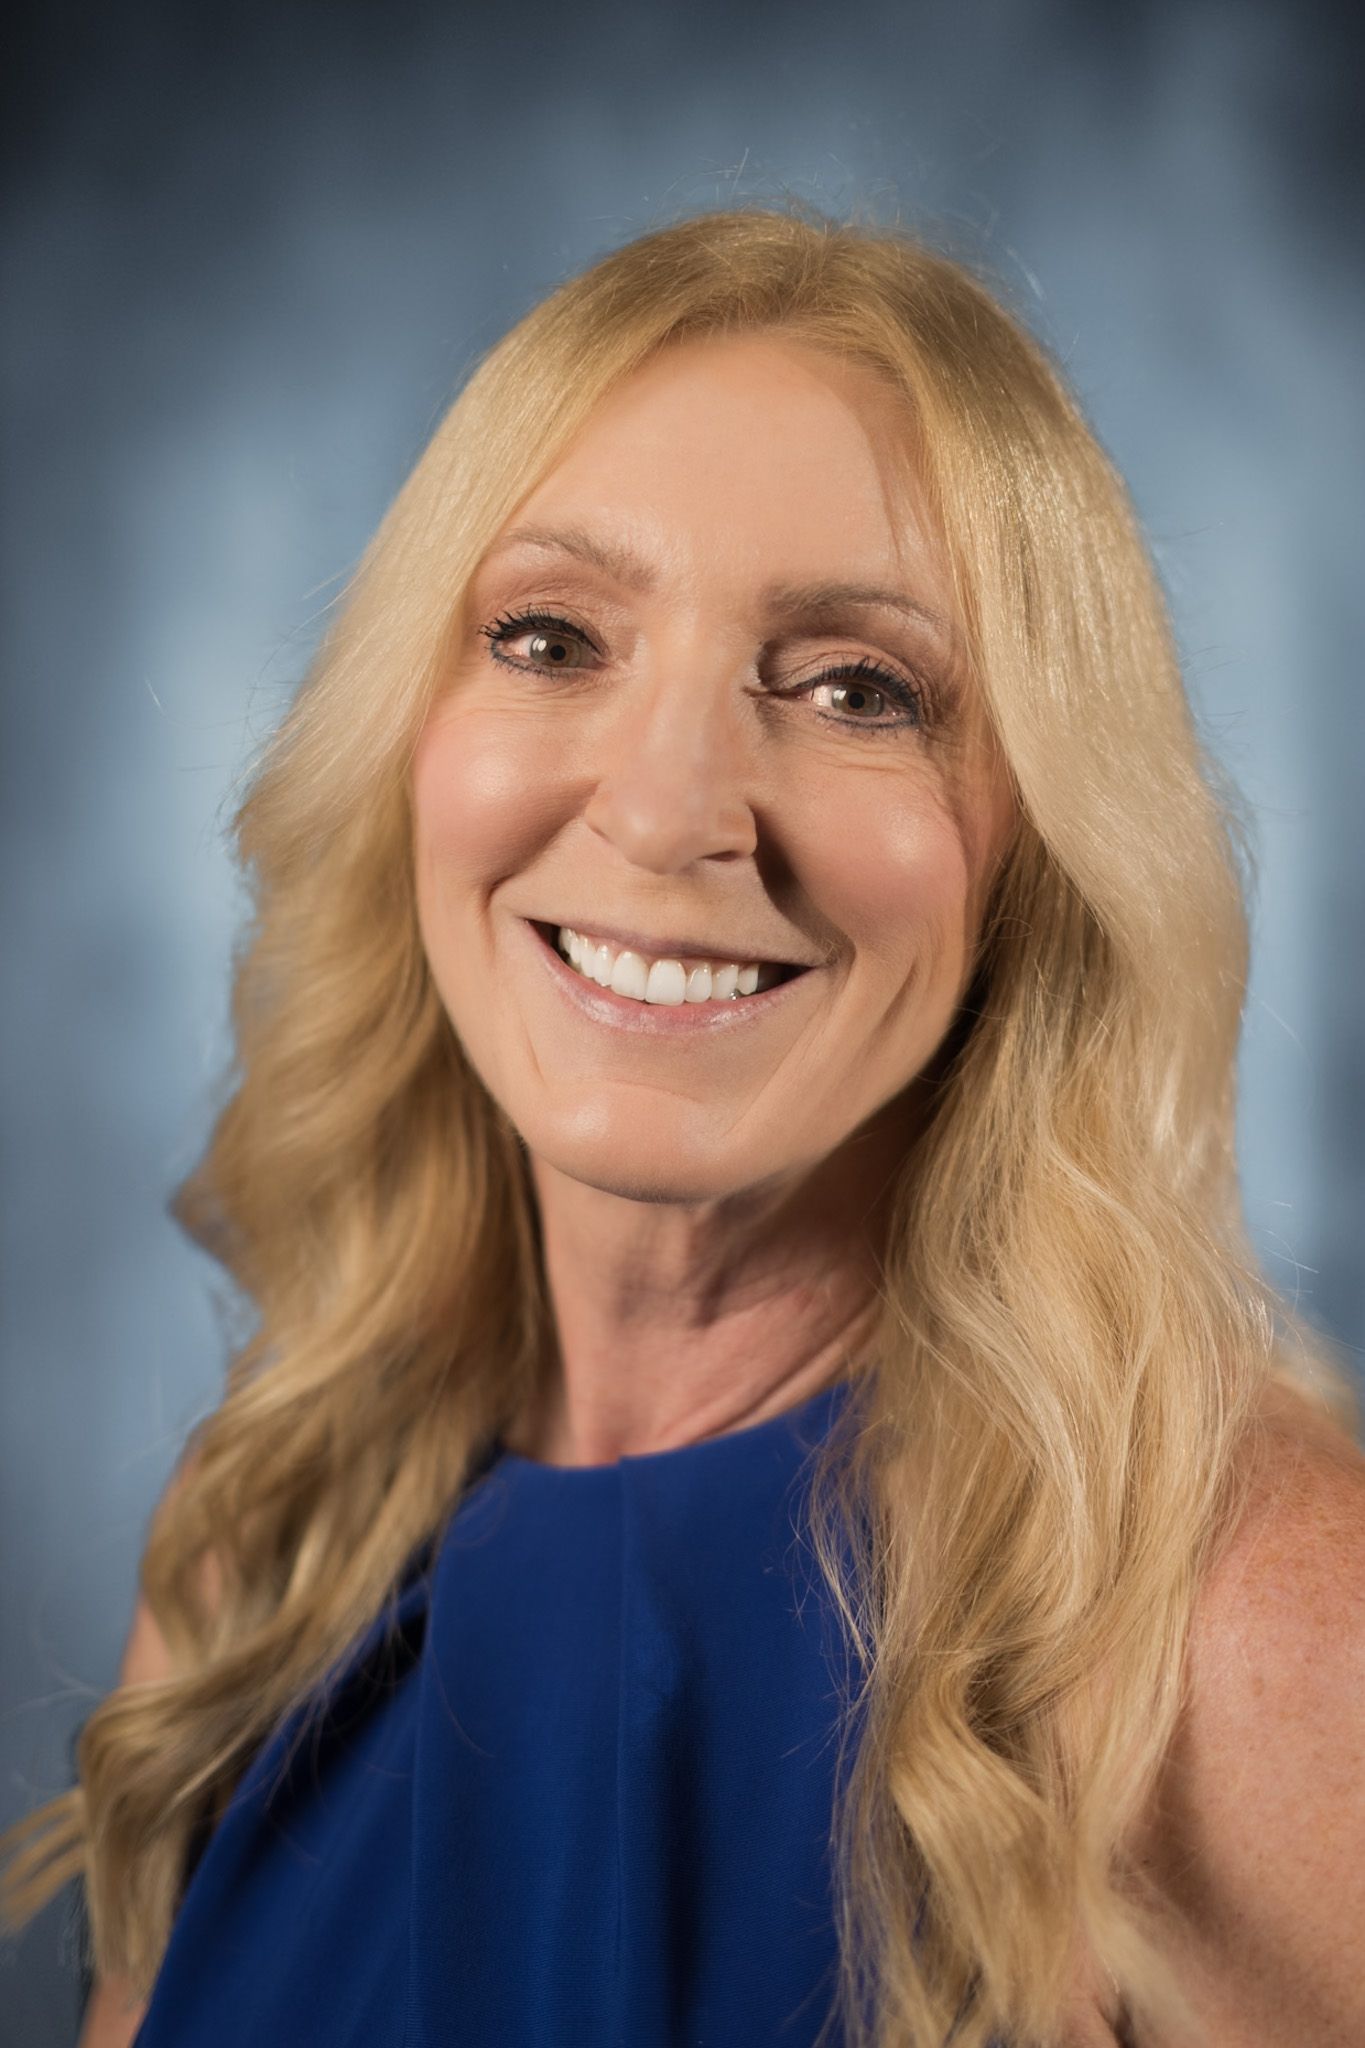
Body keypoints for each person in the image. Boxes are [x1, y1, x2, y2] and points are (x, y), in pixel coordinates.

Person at [4, 204, 1363, 2048]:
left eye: (856, 688)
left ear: (1032, 851)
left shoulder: (1266, 1633)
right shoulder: (266, 1558)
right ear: (410, 738)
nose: (663, 809)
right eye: (553, 638)